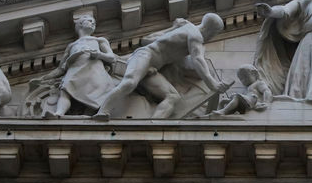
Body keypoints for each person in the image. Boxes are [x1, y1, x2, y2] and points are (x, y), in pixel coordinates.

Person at [93, 13, 227, 120]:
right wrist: (212, 84)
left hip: (152, 70)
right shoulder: (195, 35)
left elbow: (147, 39)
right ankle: (103, 111)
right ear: (211, 30)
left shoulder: (186, 29)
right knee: (129, 83)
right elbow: (198, 60)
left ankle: (153, 125)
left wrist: (173, 29)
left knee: (173, 97)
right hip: (144, 56)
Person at [29, 15, 118, 118]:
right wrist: (43, 78)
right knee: (65, 91)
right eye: (89, 21)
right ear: (80, 24)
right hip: (74, 72)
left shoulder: (99, 40)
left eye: (94, 22)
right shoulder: (71, 46)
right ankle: (58, 113)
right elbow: (60, 69)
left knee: (97, 94)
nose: (93, 23)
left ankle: (94, 114)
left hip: (94, 72)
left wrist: (98, 54)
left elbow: (112, 58)